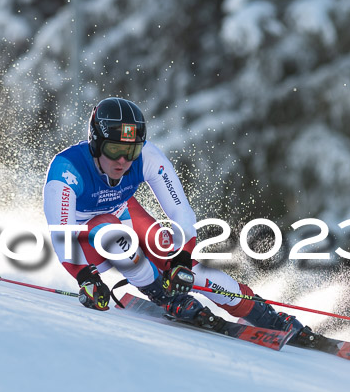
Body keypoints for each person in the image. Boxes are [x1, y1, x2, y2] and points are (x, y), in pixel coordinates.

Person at [43, 97, 314, 342]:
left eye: (132, 150)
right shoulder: (67, 170)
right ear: (95, 143)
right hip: (85, 241)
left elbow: (180, 212)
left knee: (184, 264)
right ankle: (164, 296)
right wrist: (86, 278)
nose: (123, 160)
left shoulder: (148, 157)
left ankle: (262, 314)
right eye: (114, 149)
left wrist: (181, 260)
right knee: (113, 235)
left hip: (121, 213)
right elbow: (62, 236)